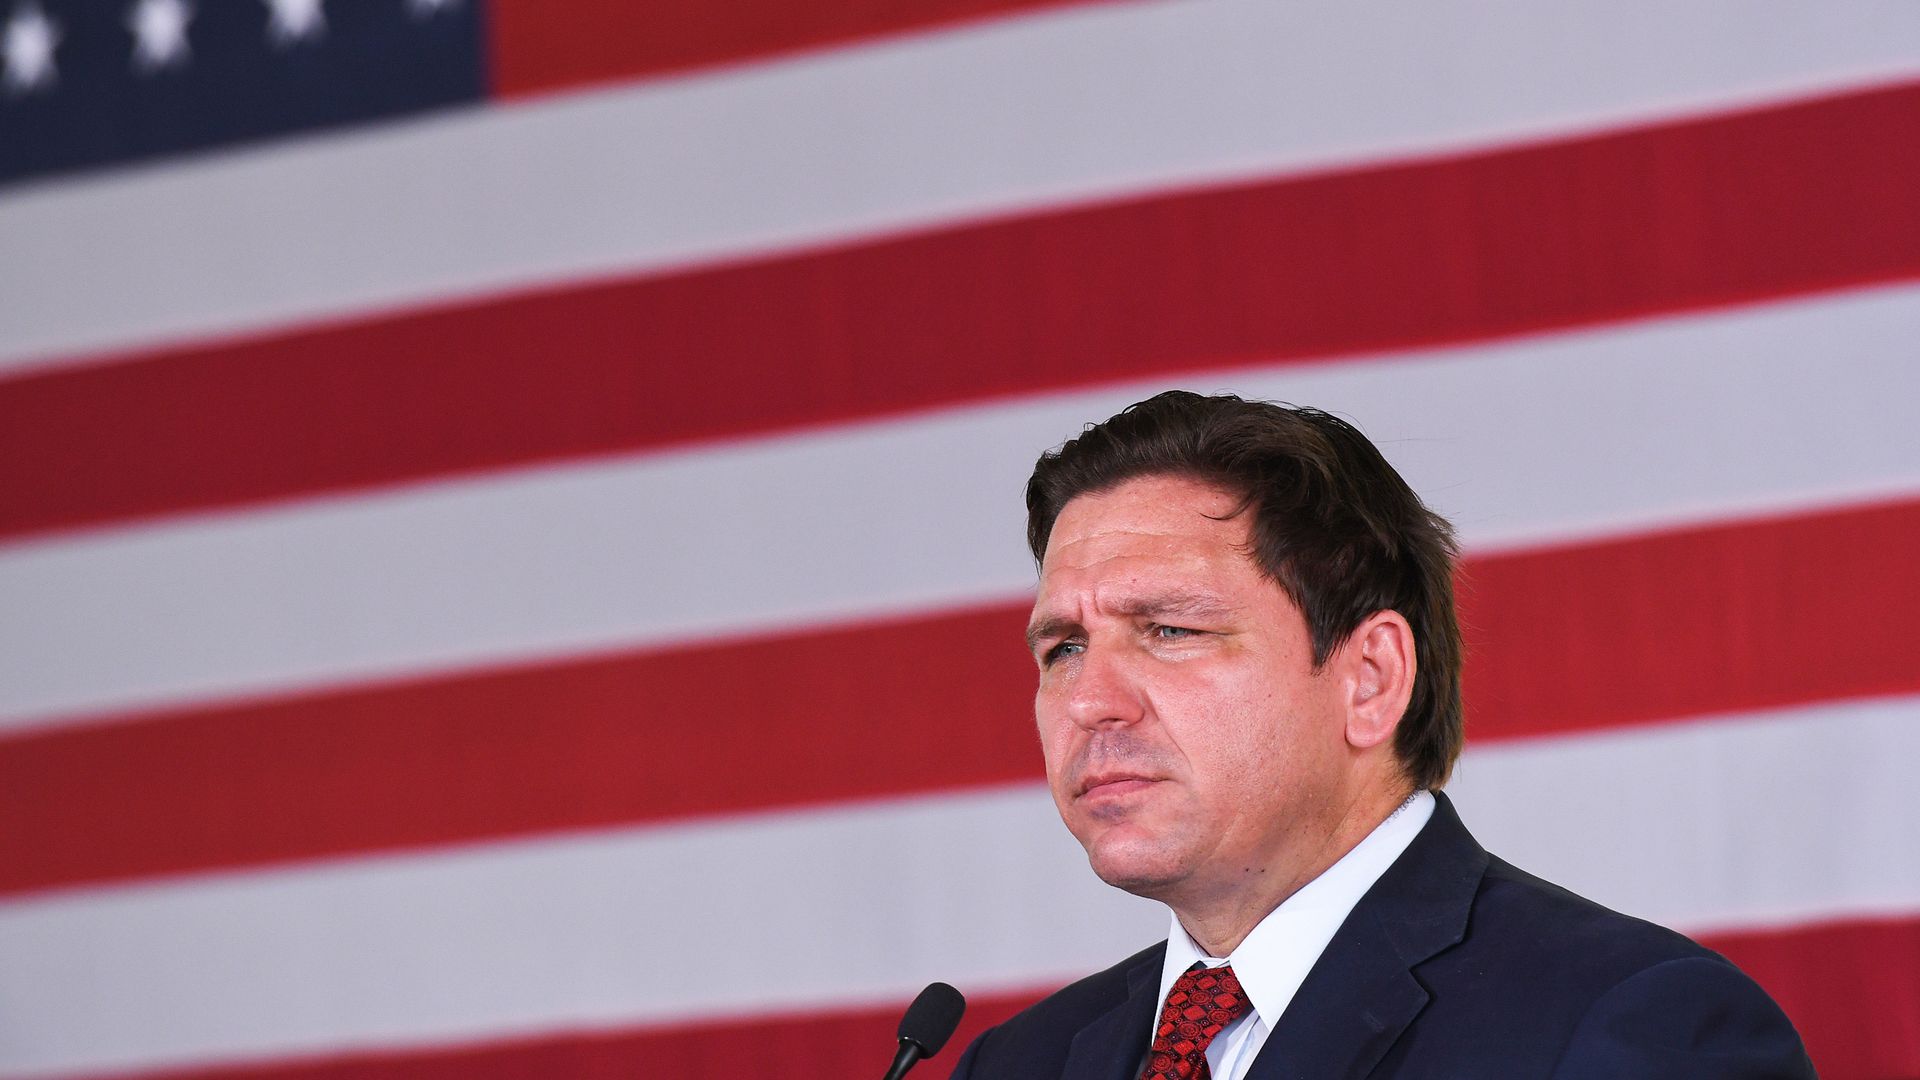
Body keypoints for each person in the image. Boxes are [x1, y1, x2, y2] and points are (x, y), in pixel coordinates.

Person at [948, 391, 1813, 1079]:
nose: (1090, 701)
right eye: (1063, 648)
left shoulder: (1637, 1030)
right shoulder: (1017, 1063)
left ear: (1370, 678)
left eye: (1171, 630)